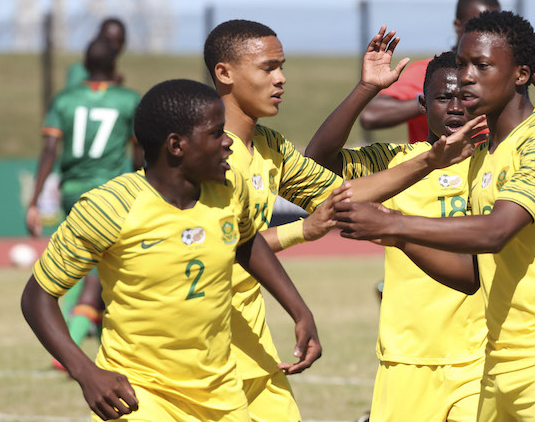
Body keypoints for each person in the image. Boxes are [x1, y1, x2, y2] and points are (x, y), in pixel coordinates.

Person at [334, 10, 535, 421]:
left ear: (522, 74)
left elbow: (497, 230)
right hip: (497, 366)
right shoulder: (481, 155)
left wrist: (392, 223)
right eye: (463, 64)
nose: (465, 76)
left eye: (481, 66)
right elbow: (471, 275)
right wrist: (397, 238)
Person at [203, 19, 486, 421]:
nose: (281, 79)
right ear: (225, 73)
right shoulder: (201, 155)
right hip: (197, 346)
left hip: (253, 349)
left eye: (281, 66)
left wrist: (429, 159)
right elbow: (220, 246)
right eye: (269, 68)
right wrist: (304, 232)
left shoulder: (271, 148)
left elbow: (337, 196)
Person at [21, 78, 342, 421]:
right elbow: (37, 297)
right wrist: (85, 373)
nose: (227, 144)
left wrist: (299, 310)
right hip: (140, 394)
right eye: (216, 133)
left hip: (221, 393)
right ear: (176, 145)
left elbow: (247, 243)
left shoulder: (229, 192)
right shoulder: (110, 207)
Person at [26, 37, 143, 370]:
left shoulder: (65, 99)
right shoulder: (128, 100)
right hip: (109, 192)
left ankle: (96, 337)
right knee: (98, 272)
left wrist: (34, 201)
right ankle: (69, 349)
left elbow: (49, 151)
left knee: (83, 265)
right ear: (115, 66)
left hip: (71, 189)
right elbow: (137, 152)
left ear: (84, 65)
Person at [359, 0, 500, 143]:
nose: (483, 35)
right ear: (457, 25)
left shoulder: (500, 75)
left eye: (493, 28)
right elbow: (370, 116)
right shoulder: (431, 73)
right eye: (476, 26)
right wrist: (436, 96)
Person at [65, 18, 126, 89]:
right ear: (98, 37)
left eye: (120, 41)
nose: (114, 46)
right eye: (108, 40)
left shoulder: (116, 73)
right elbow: (73, 96)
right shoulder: (79, 71)